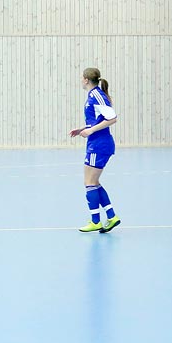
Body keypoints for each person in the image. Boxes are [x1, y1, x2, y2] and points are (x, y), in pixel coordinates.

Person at [69, 68, 120, 234]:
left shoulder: (97, 95)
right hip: (96, 143)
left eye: (81, 78)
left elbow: (112, 118)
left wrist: (90, 131)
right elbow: (97, 120)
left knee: (89, 183)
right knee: (93, 182)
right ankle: (111, 216)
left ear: (85, 80)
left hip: (99, 144)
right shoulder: (92, 96)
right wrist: (83, 129)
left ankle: (95, 221)